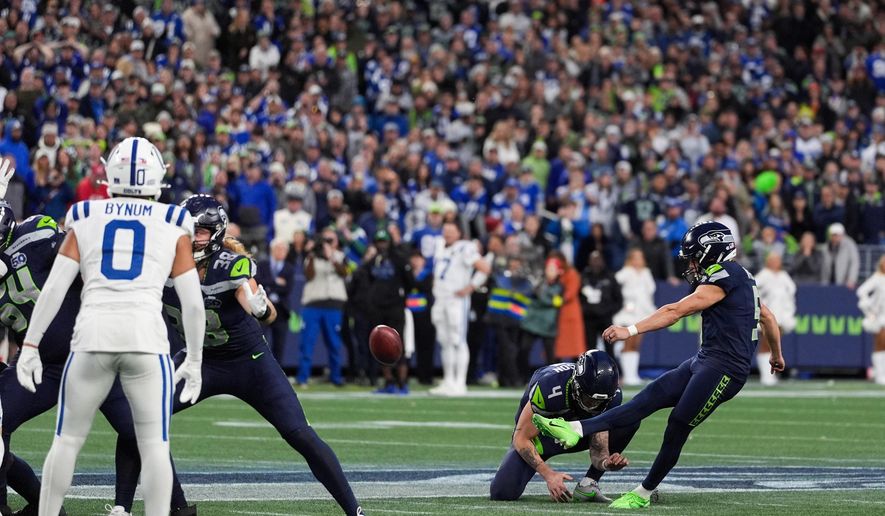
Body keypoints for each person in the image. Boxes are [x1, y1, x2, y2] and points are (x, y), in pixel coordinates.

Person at [531, 221, 785, 509]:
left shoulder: (724, 278)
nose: (690, 263)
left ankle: (643, 493)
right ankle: (576, 428)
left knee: (678, 424)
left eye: (693, 256)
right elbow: (768, 318)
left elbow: (675, 310)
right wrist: (776, 354)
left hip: (725, 370)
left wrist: (631, 330)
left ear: (710, 253)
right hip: (706, 360)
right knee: (647, 398)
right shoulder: (742, 277)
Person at [16, 137, 206, 516]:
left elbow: (53, 288)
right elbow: (193, 302)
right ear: (156, 176)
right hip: (146, 341)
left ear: (111, 172)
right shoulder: (173, 221)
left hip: (93, 337)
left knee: (66, 440)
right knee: (154, 445)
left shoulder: (85, 215)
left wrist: (31, 346)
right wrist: (196, 359)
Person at [149, 194, 364, 516]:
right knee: (141, 420)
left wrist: (260, 309)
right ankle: (164, 508)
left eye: (201, 231)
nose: (194, 237)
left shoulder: (230, 264)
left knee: (299, 434)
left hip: (248, 361)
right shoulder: (160, 263)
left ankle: (354, 510)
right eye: (187, 229)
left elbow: (265, 312)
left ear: (217, 232)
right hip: (199, 362)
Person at [0, 201, 143, 516]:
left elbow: (83, 256)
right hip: (43, 366)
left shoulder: (35, 235)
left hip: (92, 354)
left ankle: (157, 506)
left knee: (139, 429)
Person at [489, 350, 637, 503]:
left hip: (577, 433)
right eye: (589, 399)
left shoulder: (611, 396)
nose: (594, 406)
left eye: (600, 401)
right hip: (540, 437)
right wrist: (549, 475)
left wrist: (606, 463)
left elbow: (598, 449)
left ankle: (589, 484)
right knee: (502, 492)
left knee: (628, 420)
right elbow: (521, 438)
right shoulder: (550, 387)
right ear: (576, 384)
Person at [430, 221, 491, 396]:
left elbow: (484, 268)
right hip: (441, 299)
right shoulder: (441, 247)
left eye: (451, 230)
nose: (447, 234)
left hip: (456, 300)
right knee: (444, 341)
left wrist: (470, 287)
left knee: (458, 340)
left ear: (459, 233)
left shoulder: (465, 247)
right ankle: (448, 380)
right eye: (445, 230)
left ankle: (460, 382)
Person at [350, 229, 412, 393]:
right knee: (381, 347)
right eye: (379, 241)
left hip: (395, 308)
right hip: (377, 309)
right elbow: (364, 278)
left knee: (398, 345)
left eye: (384, 241)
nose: (382, 245)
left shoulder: (398, 259)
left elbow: (409, 281)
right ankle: (389, 382)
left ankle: (402, 382)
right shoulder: (373, 261)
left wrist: (400, 297)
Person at [297, 226, 348, 387]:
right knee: (307, 343)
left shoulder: (340, 256)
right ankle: (303, 377)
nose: (327, 243)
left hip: (333, 305)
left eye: (330, 240)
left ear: (336, 242)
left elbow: (344, 273)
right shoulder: (311, 257)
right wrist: (312, 254)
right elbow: (309, 275)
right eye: (324, 240)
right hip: (313, 304)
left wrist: (331, 257)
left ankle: (336, 377)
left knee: (334, 343)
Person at [613, 249, 657, 386]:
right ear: (630, 260)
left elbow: (650, 291)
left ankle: (632, 375)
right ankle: (627, 375)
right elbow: (614, 284)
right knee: (629, 342)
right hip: (627, 313)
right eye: (635, 258)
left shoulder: (646, 273)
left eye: (640, 258)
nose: (638, 261)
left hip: (642, 313)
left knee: (636, 344)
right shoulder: (625, 272)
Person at [754, 253, 797, 385]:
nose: (774, 263)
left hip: (781, 317)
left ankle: (770, 375)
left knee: (775, 346)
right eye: (772, 260)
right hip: (766, 316)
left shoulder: (784, 276)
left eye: (777, 260)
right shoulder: (763, 275)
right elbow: (754, 289)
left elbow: (791, 292)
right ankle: (766, 376)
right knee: (766, 344)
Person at [519, 256, 565, 369]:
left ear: (559, 271)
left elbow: (555, 302)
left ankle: (552, 378)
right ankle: (522, 376)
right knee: (524, 348)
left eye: (552, 269)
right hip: (532, 322)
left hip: (548, 325)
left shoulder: (560, 287)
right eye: (548, 268)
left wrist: (540, 293)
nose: (549, 271)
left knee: (550, 354)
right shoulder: (539, 282)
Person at [255, 238, 294, 364]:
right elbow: (258, 282)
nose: (281, 252)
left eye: (284, 249)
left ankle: (278, 375)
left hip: (282, 310)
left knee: (279, 345)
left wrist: (269, 284)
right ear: (272, 250)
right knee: (261, 342)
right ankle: (261, 371)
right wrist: (276, 282)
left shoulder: (289, 268)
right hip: (263, 309)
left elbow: (287, 288)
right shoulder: (262, 264)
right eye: (278, 249)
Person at [580, 251, 623, 358]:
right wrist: (585, 310)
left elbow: (619, 299)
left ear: (602, 261)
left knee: (609, 348)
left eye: (598, 260)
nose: (596, 263)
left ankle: (612, 372)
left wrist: (607, 311)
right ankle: (591, 373)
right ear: (589, 262)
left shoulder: (609, 277)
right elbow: (578, 298)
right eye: (593, 260)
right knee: (590, 349)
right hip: (589, 319)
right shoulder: (583, 277)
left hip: (606, 319)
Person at [858, 255, 885, 385]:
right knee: (880, 343)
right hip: (880, 317)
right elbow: (862, 291)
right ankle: (880, 374)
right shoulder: (877, 278)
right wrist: (870, 309)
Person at [820, 222, 859, 289]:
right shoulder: (826, 246)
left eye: (837, 235)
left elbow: (854, 262)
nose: (835, 237)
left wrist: (851, 280)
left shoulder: (849, 244)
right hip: (827, 282)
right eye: (833, 235)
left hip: (844, 283)